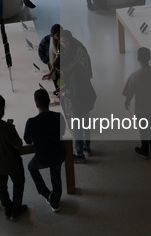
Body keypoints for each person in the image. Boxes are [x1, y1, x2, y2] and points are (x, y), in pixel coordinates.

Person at [122, 47, 151, 159]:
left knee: (143, 129)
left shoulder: (134, 76)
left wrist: (127, 102)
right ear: (149, 58)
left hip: (141, 109)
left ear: (138, 58)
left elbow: (129, 93)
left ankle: (145, 149)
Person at [24, 89, 66, 213]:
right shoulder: (58, 116)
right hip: (59, 154)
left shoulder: (31, 122)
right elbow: (62, 133)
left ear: (36, 105)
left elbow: (27, 140)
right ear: (49, 101)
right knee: (56, 175)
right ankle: (55, 201)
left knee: (31, 167)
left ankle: (46, 193)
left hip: (43, 157)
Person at [59, 30, 96, 163]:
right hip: (87, 102)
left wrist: (65, 93)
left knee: (76, 129)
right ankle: (87, 147)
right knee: (86, 125)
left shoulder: (74, 75)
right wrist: (66, 86)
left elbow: (75, 94)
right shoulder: (78, 69)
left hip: (79, 105)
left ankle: (79, 154)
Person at [39, 23, 61, 89]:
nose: (60, 36)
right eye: (58, 35)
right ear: (52, 35)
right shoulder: (46, 40)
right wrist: (46, 61)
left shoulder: (63, 43)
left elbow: (59, 59)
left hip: (60, 70)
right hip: (51, 66)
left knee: (60, 85)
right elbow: (40, 51)